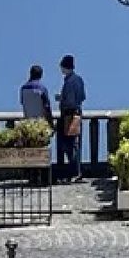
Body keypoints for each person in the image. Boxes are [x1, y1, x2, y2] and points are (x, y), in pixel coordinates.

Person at [55, 54, 86, 183]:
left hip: (68, 115)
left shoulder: (69, 82)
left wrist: (61, 98)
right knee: (74, 144)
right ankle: (75, 172)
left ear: (65, 67)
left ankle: (71, 173)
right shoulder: (79, 80)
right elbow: (82, 97)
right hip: (77, 113)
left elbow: (68, 101)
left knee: (68, 145)